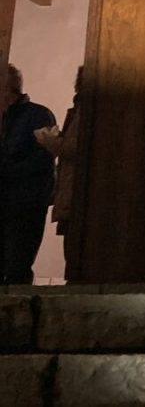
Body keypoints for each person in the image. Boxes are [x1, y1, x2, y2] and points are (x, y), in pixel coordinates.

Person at [0, 65, 57, 284]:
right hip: (10, 198)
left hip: (25, 202)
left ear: (7, 89)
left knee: (18, 263)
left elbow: (43, 159)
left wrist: (7, 171)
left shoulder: (38, 115)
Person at [34, 67, 83, 258]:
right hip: (70, 194)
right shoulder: (79, 109)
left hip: (77, 194)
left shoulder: (87, 110)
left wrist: (53, 142)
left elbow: (78, 147)